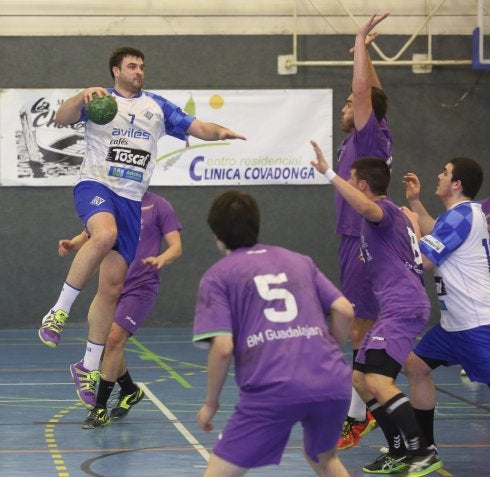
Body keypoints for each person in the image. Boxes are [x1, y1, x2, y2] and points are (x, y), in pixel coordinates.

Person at [37, 47, 245, 405]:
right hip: (97, 185)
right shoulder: (99, 100)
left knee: (111, 289)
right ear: (115, 71)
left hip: (131, 200)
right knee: (105, 234)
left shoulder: (157, 107)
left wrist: (220, 132)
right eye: (132, 66)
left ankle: (87, 366)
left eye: (142, 67)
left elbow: (199, 127)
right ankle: (58, 312)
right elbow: (61, 117)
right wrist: (81, 95)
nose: (138, 72)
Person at [193, 190, 354, 477]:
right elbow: (344, 309)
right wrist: (329, 347)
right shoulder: (299, 260)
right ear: (256, 224)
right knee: (323, 458)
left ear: (216, 234)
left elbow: (223, 348)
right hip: (332, 381)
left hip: (273, 388)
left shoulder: (218, 276)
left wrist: (210, 403)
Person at [310, 144, 442, 477]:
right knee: (360, 378)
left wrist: (328, 173)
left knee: (380, 381)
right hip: (394, 308)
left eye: (350, 179)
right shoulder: (390, 220)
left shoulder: (381, 210)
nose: (347, 184)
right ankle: (398, 449)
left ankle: (423, 451)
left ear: (363, 185)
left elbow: (367, 208)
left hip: (403, 308)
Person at [57, 191, 183, 428]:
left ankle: (99, 408)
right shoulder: (113, 202)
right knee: (104, 344)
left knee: (114, 339)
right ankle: (129, 390)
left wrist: (162, 259)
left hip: (141, 287)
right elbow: (91, 234)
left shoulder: (159, 206)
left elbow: (176, 247)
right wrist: (73, 243)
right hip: (112, 286)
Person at [402, 158, 490, 473]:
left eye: (445, 172)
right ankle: (426, 450)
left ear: (456, 184)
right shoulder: (461, 215)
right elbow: (435, 231)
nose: (439, 176)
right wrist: (415, 203)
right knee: (416, 366)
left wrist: (410, 225)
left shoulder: (462, 215)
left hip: (476, 324)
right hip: (453, 326)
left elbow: (423, 261)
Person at [332, 13, 393, 450]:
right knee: (361, 328)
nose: (346, 107)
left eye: (349, 103)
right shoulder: (372, 135)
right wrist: (365, 54)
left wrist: (358, 40)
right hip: (354, 238)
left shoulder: (368, 136)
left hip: (362, 242)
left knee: (361, 330)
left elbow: (366, 92)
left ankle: (360, 412)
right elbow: (374, 92)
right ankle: (360, 408)